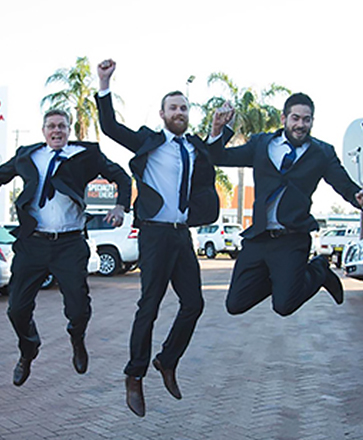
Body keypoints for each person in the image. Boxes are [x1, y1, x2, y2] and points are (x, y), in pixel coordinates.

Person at [95, 59, 231, 418]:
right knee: (149, 307)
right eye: (173, 108)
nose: (179, 113)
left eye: (184, 108)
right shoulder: (149, 141)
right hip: (154, 234)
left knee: (194, 304)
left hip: (182, 235)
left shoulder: (194, 148)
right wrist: (104, 84)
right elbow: (110, 127)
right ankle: (134, 375)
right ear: (162, 114)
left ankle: (167, 360)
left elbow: (214, 155)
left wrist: (218, 129)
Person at [0, 109, 131, 387]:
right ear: (43, 131)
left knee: (79, 309)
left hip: (69, 244)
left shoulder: (86, 155)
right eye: (51, 126)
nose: (56, 130)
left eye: (62, 126)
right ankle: (28, 349)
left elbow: (121, 176)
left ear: (69, 130)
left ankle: (77, 338)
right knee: (17, 309)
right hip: (32, 243)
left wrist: (120, 206)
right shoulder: (27, 155)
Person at [207, 93, 363, 318]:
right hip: (259, 238)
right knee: (235, 304)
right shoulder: (261, 144)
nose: (301, 125)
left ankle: (319, 270)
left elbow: (344, 184)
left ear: (312, 121)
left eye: (307, 119)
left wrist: (360, 199)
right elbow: (220, 157)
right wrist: (217, 129)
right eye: (295, 118)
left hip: (292, 238)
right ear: (284, 118)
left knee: (284, 306)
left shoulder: (322, 153)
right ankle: (283, 281)